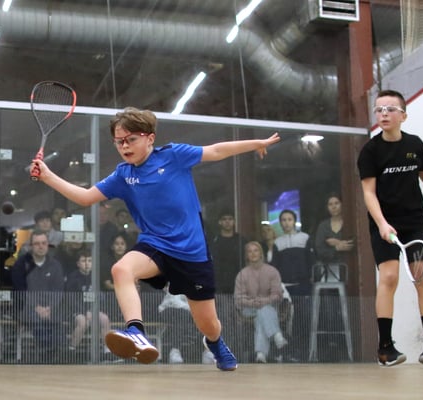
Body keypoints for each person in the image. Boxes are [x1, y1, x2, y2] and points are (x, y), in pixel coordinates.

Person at [30, 106, 280, 370]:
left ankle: (216, 343)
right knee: (121, 269)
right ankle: (136, 332)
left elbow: (216, 151)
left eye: (131, 139)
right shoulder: (123, 175)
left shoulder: (174, 156)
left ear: (150, 138)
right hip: (155, 245)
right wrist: (47, 176)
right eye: (119, 141)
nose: (124, 146)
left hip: (192, 253)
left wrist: (256, 144)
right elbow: (85, 197)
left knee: (208, 324)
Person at [357, 89, 423, 368]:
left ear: (403, 116)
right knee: (388, 277)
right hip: (384, 224)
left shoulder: (415, 144)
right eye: (379, 109)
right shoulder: (370, 151)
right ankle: (385, 348)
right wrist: (382, 224)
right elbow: (368, 193)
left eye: (390, 109)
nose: (383, 114)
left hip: (414, 223)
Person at [10, 229, 65, 363]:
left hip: (51, 308)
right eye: (37, 243)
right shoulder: (21, 264)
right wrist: (36, 307)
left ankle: (59, 355)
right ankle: (47, 354)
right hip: (26, 308)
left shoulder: (55, 265)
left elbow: (58, 290)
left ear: (48, 245)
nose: (41, 246)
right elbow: (20, 291)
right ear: (31, 246)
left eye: (43, 243)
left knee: (58, 321)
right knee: (36, 321)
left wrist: (49, 308)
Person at [234, 241, 287, 363]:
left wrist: (264, 301)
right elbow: (238, 298)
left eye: (256, 250)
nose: (253, 254)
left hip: (269, 307)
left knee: (261, 315)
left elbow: (277, 294)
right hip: (248, 309)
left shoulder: (272, 271)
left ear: (261, 253)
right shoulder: (242, 274)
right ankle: (276, 335)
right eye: (250, 251)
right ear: (246, 255)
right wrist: (253, 303)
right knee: (262, 310)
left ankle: (261, 354)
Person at [272, 209, 314, 362]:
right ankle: (289, 352)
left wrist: (310, 279)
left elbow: (311, 261)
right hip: (285, 287)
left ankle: (303, 352)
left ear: (294, 221)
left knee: (302, 319)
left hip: (303, 285)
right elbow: (275, 266)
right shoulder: (277, 243)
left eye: (289, 219)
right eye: (283, 220)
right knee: (286, 319)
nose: (286, 223)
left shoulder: (305, 238)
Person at [64, 250, 115, 361]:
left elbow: (100, 297)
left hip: (92, 311)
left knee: (104, 319)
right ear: (78, 264)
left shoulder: (95, 277)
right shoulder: (73, 278)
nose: (87, 264)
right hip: (75, 311)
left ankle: (107, 351)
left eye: (90, 261)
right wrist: (84, 312)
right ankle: (71, 350)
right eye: (83, 261)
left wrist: (94, 311)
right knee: (83, 322)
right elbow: (70, 299)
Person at [158, 283, 215, 365]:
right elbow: (175, 302)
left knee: (205, 317)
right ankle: (174, 351)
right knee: (182, 315)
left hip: (188, 311)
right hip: (168, 309)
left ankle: (207, 351)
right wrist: (193, 310)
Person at [314, 193, 354, 281]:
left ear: (342, 204)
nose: (334, 207)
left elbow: (354, 243)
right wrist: (337, 248)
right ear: (327, 207)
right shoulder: (323, 226)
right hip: (327, 270)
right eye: (330, 204)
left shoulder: (350, 222)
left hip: (349, 268)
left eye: (336, 203)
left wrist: (337, 242)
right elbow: (319, 251)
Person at [209, 210, 248, 294]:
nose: (227, 222)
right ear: (220, 222)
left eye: (230, 219)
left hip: (239, 282)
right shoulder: (214, 241)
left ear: (234, 221)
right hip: (219, 284)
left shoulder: (241, 240)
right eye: (224, 219)